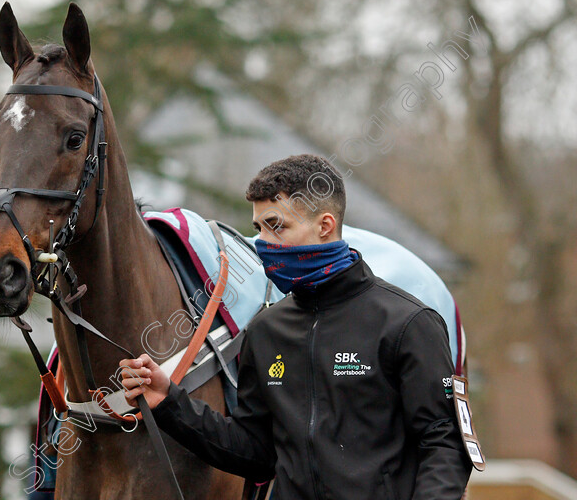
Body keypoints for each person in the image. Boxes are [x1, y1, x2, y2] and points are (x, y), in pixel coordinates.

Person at [119, 154, 472, 499]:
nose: (262, 243)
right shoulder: (265, 330)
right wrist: (168, 401)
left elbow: (445, 445)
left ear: (325, 225)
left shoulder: (409, 322)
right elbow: (256, 453)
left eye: (277, 226)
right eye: (258, 228)